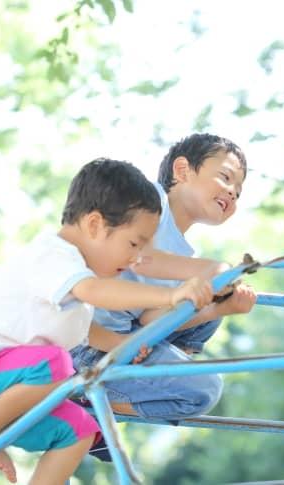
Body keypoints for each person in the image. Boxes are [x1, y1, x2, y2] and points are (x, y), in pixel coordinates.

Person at [0, 158, 213, 484]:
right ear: (95, 224)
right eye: (133, 243)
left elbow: (86, 333)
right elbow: (96, 291)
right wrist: (170, 296)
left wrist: (124, 344)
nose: (135, 258)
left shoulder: (75, 290)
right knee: (56, 363)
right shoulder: (54, 256)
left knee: (80, 430)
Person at [71, 133, 256, 428]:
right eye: (226, 177)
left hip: (128, 337)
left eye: (239, 191)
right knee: (203, 389)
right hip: (87, 344)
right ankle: (84, 404)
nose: (233, 192)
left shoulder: (183, 252)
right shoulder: (149, 201)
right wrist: (210, 269)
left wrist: (219, 308)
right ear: (182, 171)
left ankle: (164, 369)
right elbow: (144, 257)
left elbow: (150, 318)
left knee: (210, 297)